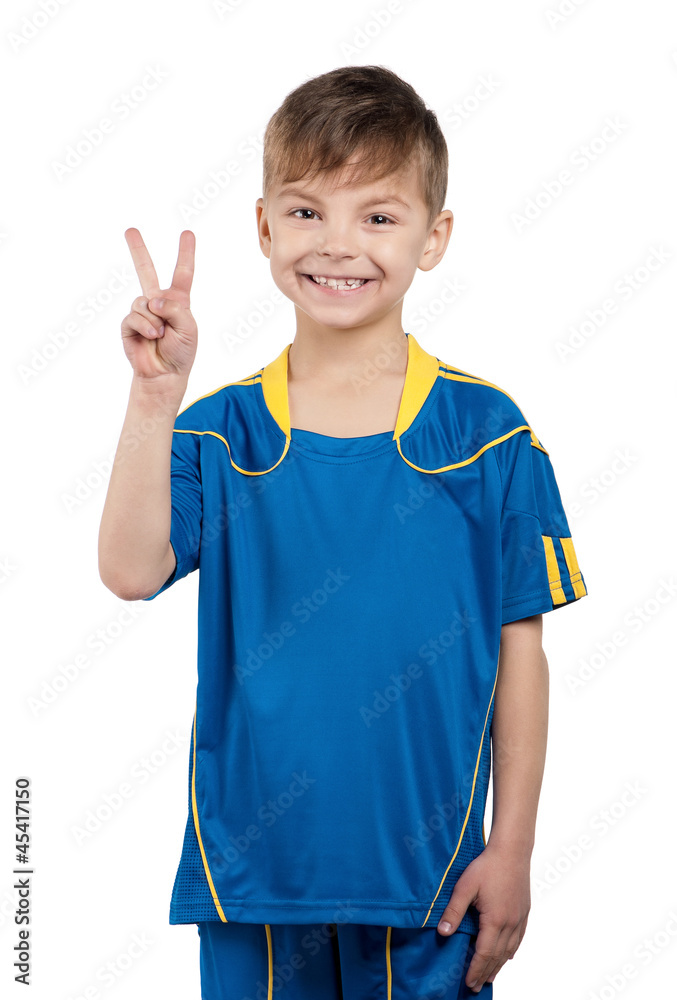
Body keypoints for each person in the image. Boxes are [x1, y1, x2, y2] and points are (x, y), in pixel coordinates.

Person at [98, 64, 588, 999]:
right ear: (264, 228)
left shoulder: (488, 436)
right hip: (254, 884)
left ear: (432, 237)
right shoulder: (219, 433)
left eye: (378, 216)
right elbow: (128, 570)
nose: (337, 244)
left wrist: (513, 848)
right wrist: (154, 399)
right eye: (306, 211)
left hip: (435, 888)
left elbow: (519, 650)